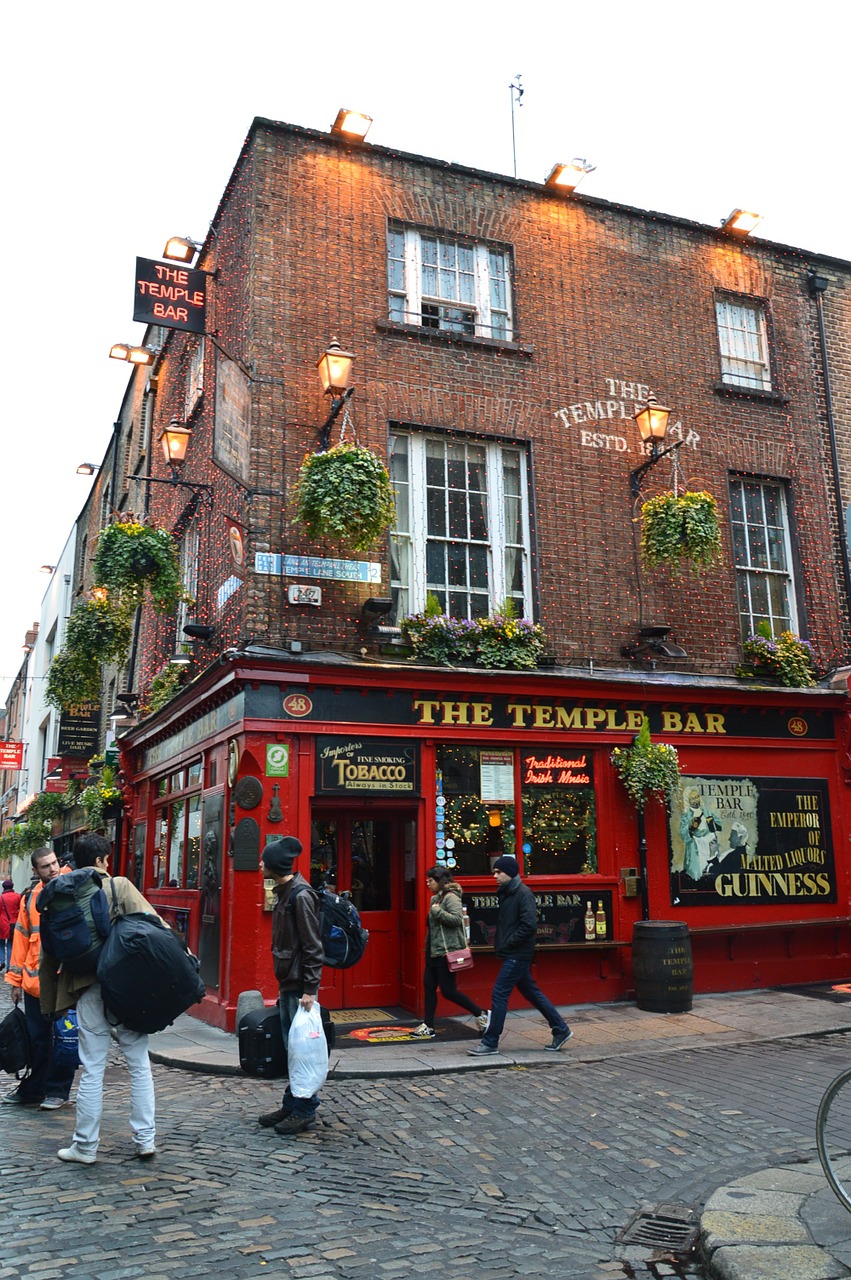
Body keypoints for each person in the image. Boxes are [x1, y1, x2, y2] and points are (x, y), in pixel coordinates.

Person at [39, 833, 162, 1165]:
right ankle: (145, 1140)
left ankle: (85, 1146)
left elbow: (47, 958)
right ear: (102, 860)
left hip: (88, 989)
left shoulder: (60, 896)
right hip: (126, 988)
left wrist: (50, 1005)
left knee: (93, 1069)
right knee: (139, 1064)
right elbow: (155, 925)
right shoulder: (117, 885)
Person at [468, 855, 572, 1057]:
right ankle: (560, 1029)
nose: (495, 876)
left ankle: (490, 1041)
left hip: (518, 953)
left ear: (511, 873)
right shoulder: (507, 893)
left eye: (499, 872)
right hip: (515, 952)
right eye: (494, 872)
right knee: (531, 992)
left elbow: (528, 925)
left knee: (499, 993)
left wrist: (509, 942)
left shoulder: (523, 894)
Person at [257, 836, 324, 1136]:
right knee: (292, 1048)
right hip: (290, 983)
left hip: (300, 989)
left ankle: (304, 1110)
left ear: (274, 866)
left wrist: (310, 989)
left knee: (302, 1051)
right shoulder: (287, 893)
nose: (260, 865)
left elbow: (313, 946)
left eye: (264, 861)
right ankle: (292, 1103)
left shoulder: (300, 896)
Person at [3, 848, 77, 1110]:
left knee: (66, 1041)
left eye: (54, 863)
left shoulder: (74, 887)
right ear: (35, 871)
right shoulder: (29, 898)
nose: (52, 869)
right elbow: (21, 940)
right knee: (38, 1039)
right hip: (36, 985)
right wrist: (15, 982)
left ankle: (57, 1090)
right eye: (45, 866)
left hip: (66, 985)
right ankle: (35, 1089)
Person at [411, 865, 489, 1040]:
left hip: (447, 952)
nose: (427, 883)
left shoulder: (451, 897)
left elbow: (456, 920)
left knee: (448, 991)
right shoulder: (435, 899)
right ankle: (428, 1026)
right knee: (429, 986)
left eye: (430, 880)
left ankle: (481, 1014)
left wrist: (438, 912)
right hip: (434, 950)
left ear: (440, 880)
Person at [0, 878, 21, 972]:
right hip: (13, 923)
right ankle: (9, 965)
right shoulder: (17, 896)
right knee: (10, 944)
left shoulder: (0, 898)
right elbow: (20, 909)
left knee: (0, 944)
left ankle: (2, 961)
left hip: (2, 924)